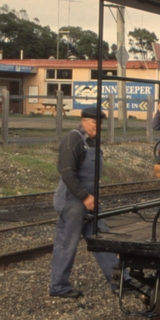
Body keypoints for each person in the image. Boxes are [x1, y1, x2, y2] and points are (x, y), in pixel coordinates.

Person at [49, 105, 119, 299]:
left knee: (102, 238)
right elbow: (67, 172)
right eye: (96, 123)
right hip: (72, 200)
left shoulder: (93, 142)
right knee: (67, 243)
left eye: (101, 123)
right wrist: (84, 196)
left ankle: (120, 280)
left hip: (89, 201)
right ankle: (58, 286)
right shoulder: (73, 139)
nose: (99, 127)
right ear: (84, 121)